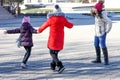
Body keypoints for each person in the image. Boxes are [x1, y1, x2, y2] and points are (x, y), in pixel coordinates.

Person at [37, 4, 73, 73]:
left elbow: (44, 26)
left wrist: (39, 30)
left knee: (51, 52)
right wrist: (71, 24)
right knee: (55, 52)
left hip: (53, 39)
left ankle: (60, 66)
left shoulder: (51, 19)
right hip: (60, 39)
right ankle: (52, 65)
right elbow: (70, 25)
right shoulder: (63, 19)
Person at [91, 0, 112, 65]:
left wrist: (107, 31)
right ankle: (98, 59)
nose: (94, 9)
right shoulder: (97, 14)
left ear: (98, 10)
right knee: (96, 44)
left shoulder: (103, 15)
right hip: (96, 33)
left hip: (102, 33)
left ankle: (106, 60)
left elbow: (110, 22)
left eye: (95, 9)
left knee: (103, 45)